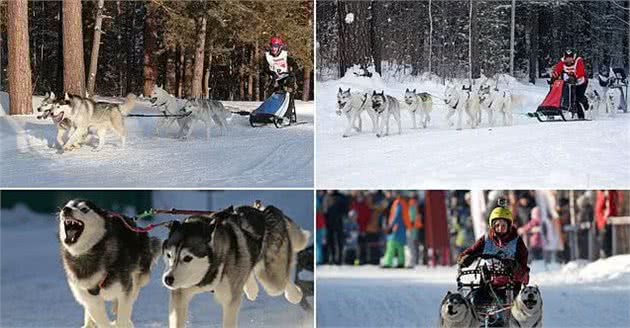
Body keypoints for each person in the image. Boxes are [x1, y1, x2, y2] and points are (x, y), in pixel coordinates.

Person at [457, 206, 530, 306]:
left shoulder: (517, 242)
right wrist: (465, 258)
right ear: (492, 226)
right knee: (475, 302)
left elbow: (525, 275)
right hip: (488, 284)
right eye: (497, 225)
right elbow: (471, 251)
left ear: (509, 226)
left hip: (510, 287)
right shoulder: (486, 239)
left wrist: (515, 267)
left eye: (503, 225)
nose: (500, 228)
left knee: (506, 309)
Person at [263, 36, 298, 122]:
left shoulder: (285, 55)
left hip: (286, 78)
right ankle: (270, 113)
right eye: (272, 46)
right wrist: (271, 73)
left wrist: (292, 72)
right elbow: (265, 68)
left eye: (275, 46)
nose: (273, 49)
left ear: (279, 47)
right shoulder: (267, 56)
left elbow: (295, 65)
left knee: (288, 92)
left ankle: (287, 114)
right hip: (274, 78)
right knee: (270, 93)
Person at [551, 49, 588, 118]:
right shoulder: (562, 63)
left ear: (573, 57)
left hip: (581, 82)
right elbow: (557, 71)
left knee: (578, 97)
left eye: (570, 58)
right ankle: (579, 115)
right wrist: (553, 78)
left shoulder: (578, 61)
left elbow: (581, 71)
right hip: (570, 83)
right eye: (567, 58)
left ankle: (585, 102)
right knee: (571, 98)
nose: (568, 60)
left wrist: (574, 76)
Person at [381, 192, 409, 268]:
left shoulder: (398, 203)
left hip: (396, 228)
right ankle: (401, 262)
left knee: (391, 245)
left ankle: (388, 262)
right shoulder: (404, 202)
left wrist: (390, 225)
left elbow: (396, 215)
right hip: (402, 227)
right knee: (400, 246)